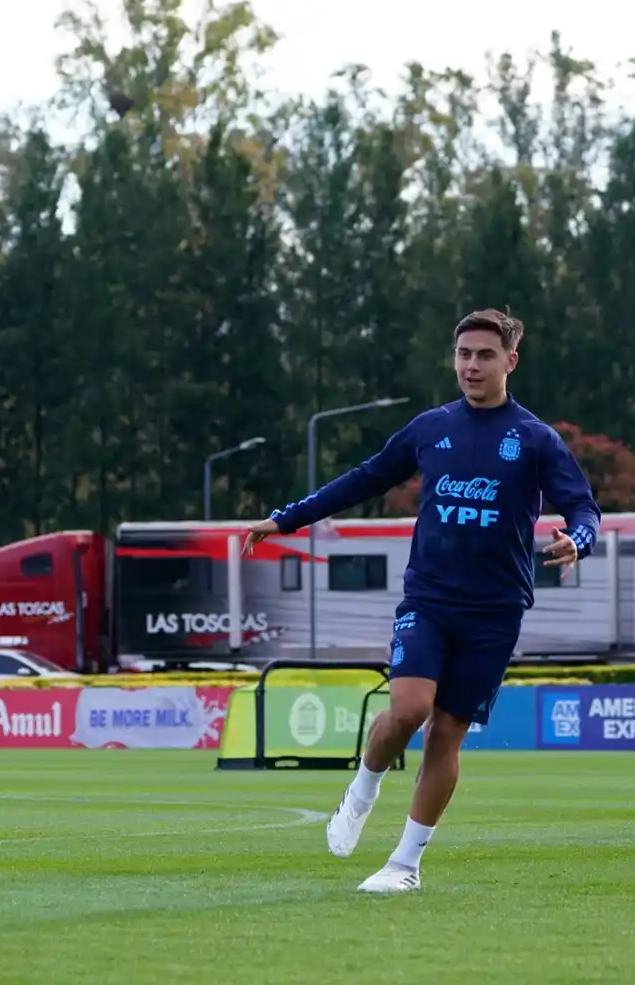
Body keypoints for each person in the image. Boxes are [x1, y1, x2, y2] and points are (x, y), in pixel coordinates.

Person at [243, 307, 601, 893]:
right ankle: (362, 789)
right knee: (408, 710)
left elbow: (584, 507)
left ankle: (404, 864)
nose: (471, 365)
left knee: (445, 733)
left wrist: (578, 541)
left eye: (485, 355)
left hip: (496, 609)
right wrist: (286, 519)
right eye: (463, 354)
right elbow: (362, 479)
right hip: (428, 598)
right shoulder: (430, 427)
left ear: (510, 361)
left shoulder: (536, 439)